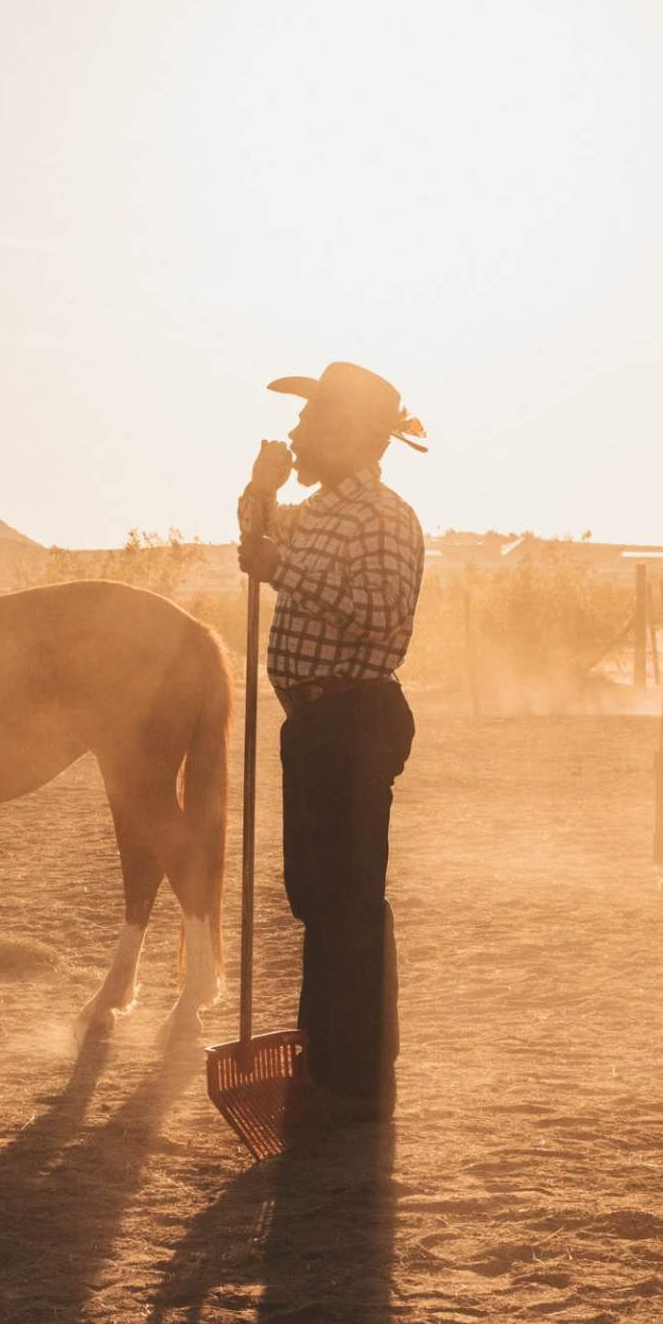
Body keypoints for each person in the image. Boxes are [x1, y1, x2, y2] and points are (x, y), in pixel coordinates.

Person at [237, 361, 427, 1127]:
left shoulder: (382, 517)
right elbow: (253, 543)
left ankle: (356, 1083)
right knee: (318, 897)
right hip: (313, 723)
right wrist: (263, 490)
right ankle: (327, 1061)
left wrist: (281, 567)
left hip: (354, 717)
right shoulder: (314, 512)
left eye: (311, 423)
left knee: (347, 899)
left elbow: (381, 622)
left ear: (349, 435)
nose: (296, 433)